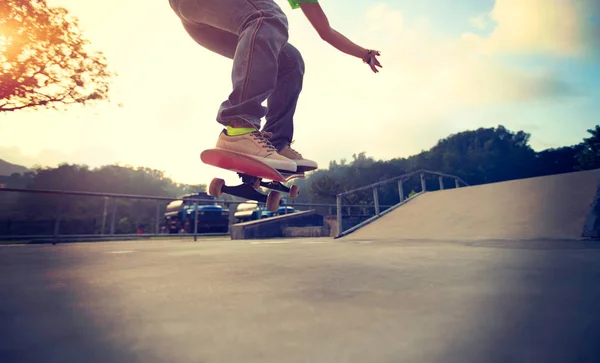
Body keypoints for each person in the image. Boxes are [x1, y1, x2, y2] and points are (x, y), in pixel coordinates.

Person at [168, 0, 382, 172]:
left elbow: (326, 31)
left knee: (289, 60)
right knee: (268, 17)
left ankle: (275, 141)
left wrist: (365, 54)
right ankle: (238, 127)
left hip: (212, 22)